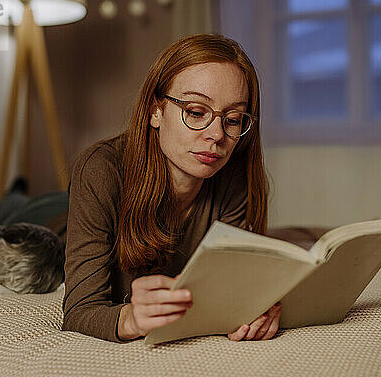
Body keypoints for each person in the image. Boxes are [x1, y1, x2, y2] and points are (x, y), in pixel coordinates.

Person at [62, 34, 281, 343]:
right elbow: (79, 311)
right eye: (195, 112)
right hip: (56, 225)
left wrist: (255, 306)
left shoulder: (232, 177)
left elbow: (228, 289)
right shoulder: (100, 171)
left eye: (232, 119)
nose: (217, 135)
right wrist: (131, 319)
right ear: (155, 110)